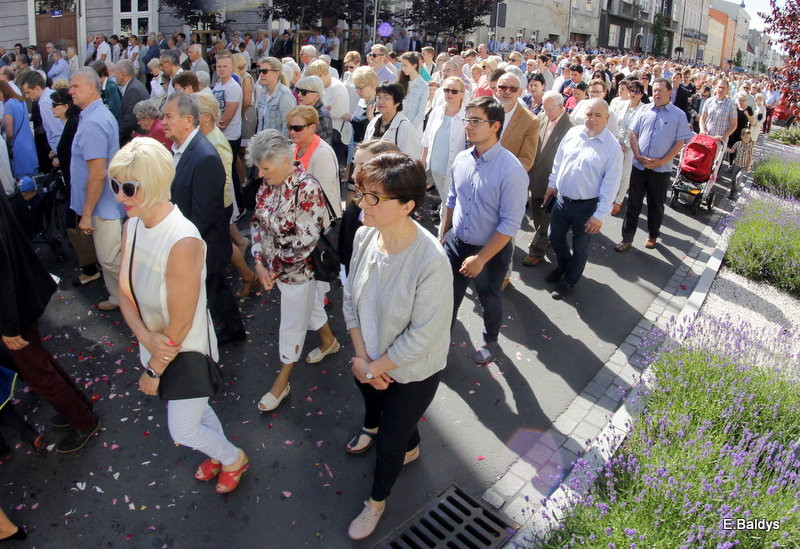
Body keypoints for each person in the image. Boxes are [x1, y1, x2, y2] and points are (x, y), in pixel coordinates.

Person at [112, 137, 249, 494]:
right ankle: (219, 452)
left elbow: (181, 323)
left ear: (155, 185)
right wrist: (145, 337)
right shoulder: (132, 225)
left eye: (129, 188)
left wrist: (154, 370)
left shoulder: (182, 240)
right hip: (156, 344)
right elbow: (124, 292)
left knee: (184, 428)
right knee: (197, 411)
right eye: (115, 186)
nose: (119, 196)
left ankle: (233, 457)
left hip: (184, 350)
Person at [343, 153, 453, 541]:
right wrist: (362, 359)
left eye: (374, 197)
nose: (362, 203)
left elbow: (422, 336)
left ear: (407, 206)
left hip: (413, 370)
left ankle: (376, 502)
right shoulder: (364, 236)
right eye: (362, 192)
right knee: (375, 405)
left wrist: (373, 368)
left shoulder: (431, 261)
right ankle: (382, 428)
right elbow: (350, 297)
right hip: (368, 358)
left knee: (391, 442)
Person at [0, 189, 100, 453]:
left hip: (13, 303)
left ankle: (84, 420)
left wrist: (8, 326)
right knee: (39, 363)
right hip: (21, 290)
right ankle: (78, 409)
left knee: (37, 372)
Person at [247, 130, 340, 412]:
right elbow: (257, 223)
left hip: (301, 272)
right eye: (259, 168)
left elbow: (305, 242)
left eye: (265, 168)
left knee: (291, 325)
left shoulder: (307, 187)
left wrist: (272, 269)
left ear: (286, 161)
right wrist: (259, 261)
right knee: (309, 309)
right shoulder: (267, 184)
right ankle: (329, 341)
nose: (260, 174)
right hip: (276, 269)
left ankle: (282, 382)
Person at [442, 96, 528, 363]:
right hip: (456, 243)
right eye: (467, 120)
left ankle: (490, 340)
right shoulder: (461, 159)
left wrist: (481, 259)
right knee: (447, 298)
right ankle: (439, 345)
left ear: (495, 126)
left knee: (489, 298)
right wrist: (443, 236)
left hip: (490, 250)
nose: (468, 125)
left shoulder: (512, 170)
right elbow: (451, 200)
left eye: (476, 121)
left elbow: (510, 224)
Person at [161, 93, 246, 345]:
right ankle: (233, 329)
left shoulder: (205, 156)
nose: (163, 122)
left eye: (168, 117)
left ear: (188, 120)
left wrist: (180, 245)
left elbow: (203, 215)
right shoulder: (183, 149)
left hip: (202, 245)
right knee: (217, 290)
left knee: (209, 292)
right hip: (198, 245)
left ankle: (220, 335)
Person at [543, 98, 623, 300]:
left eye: (598, 115)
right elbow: (559, 161)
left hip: (587, 206)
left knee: (579, 246)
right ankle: (565, 266)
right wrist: (552, 185)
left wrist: (600, 215)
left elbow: (611, 183)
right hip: (562, 200)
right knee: (554, 236)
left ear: (607, 118)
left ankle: (569, 280)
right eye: (589, 114)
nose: (592, 119)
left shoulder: (612, 147)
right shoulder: (573, 133)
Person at [68, 68, 124, 311]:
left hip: (103, 205)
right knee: (108, 257)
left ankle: (141, 302)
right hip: (103, 203)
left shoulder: (93, 122)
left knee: (110, 258)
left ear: (91, 88)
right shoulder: (94, 116)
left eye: (75, 86)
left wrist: (87, 213)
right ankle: (119, 298)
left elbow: (98, 173)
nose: (70, 91)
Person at [615, 78, 691, 252]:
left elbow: (680, 143)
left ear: (669, 93)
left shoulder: (678, 115)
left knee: (656, 205)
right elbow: (633, 134)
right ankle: (626, 239)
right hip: (639, 166)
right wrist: (638, 156)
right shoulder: (644, 110)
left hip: (660, 170)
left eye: (660, 91)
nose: (657, 94)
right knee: (633, 203)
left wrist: (662, 161)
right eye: (655, 90)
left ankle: (652, 235)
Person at [522, 91, 575, 267]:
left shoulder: (571, 128)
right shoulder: (542, 117)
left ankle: (536, 251)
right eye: (544, 108)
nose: (546, 112)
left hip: (553, 181)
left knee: (546, 218)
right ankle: (547, 238)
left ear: (561, 106)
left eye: (549, 109)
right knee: (538, 215)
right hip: (536, 178)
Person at [420, 76, 467, 233]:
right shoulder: (437, 111)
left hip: (454, 168)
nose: (449, 94)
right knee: (445, 200)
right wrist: (422, 161)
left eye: (454, 91)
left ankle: (443, 235)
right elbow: (427, 137)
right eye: (446, 90)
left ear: (462, 94)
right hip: (435, 166)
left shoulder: (467, 114)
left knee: (448, 203)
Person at [287, 106, 342, 219]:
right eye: (290, 127)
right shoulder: (293, 148)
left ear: (312, 128)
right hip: (297, 213)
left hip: (318, 219)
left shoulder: (323, 154)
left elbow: (320, 194)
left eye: (297, 128)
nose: (292, 132)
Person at [609, 78, 647, 215]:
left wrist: (626, 144)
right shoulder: (621, 104)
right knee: (613, 170)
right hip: (616, 141)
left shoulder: (644, 109)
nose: (633, 94)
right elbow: (616, 124)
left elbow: (639, 130)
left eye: (637, 92)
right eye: (631, 90)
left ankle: (618, 201)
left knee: (625, 173)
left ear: (641, 94)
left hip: (632, 145)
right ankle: (610, 196)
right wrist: (617, 141)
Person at [212, 51, 244, 209]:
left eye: (225, 66)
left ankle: (238, 207)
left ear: (231, 67)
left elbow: (228, 115)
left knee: (230, 172)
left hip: (230, 135)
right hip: (220, 134)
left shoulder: (233, 87)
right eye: (219, 66)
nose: (222, 69)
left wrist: (212, 129)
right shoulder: (218, 85)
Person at [364, 82, 422, 159]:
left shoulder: (405, 128)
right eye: (378, 97)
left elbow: (412, 159)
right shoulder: (373, 122)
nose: (380, 101)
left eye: (386, 98)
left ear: (397, 102)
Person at [0, 81, 38, 178]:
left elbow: (9, 132)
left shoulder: (8, 104)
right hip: (29, 144)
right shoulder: (21, 101)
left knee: (23, 181)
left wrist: (7, 146)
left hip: (18, 147)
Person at [256, 56, 295, 136]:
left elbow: (287, 127)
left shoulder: (285, 95)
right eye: (260, 71)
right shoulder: (262, 93)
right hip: (263, 141)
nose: (261, 74)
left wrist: (281, 143)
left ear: (277, 73)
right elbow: (260, 123)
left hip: (277, 142)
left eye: (264, 71)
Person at [116, 59, 149, 146]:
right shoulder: (133, 86)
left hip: (136, 141)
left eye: (116, 73)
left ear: (122, 74)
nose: (115, 76)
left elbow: (129, 121)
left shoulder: (134, 90)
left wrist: (118, 141)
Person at [699, 78, 737, 151]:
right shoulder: (709, 101)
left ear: (727, 89)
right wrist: (702, 129)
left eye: (723, 88)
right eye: (719, 87)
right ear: (716, 87)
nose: (721, 89)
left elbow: (734, 125)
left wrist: (723, 136)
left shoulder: (731, 105)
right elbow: (702, 118)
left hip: (720, 142)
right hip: (706, 138)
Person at [294, 76, 333, 145]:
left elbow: (313, 145)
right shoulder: (307, 111)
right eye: (298, 91)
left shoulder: (320, 117)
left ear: (316, 96)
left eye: (304, 92)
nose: (299, 95)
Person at [398, 52, 428, 132]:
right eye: (402, 65)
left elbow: (421, 113)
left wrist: (410, 128)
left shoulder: (424, 86)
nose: (403, 68)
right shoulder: (400, 83)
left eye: (405, 66)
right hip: (398, 125)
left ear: (414, 65)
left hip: (414, 129)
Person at [727, 91, 755, 168]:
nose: (741, 102)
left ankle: (737, 164)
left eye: (743, 100)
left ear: (746, 100)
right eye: (740, 100)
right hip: (733, 129)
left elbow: (752, 121)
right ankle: (730, 164)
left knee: (740, 148)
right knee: (732, 146)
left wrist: (747, 115)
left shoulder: (749, 109)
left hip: (742, 131)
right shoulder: (734, 107)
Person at [725, 127, 754, 200]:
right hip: (736, 164)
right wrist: (726, 148)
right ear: (742, 137)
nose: (748, 139)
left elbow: (750, 157)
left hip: (743, 166)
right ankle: (732, 192)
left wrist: (748, 166)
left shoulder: (750, 146)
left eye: (749, 138)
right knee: (733, 179)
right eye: (746, 137)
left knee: (738, 177)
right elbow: (732, 151)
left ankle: (736, 188)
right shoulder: (738, 144)